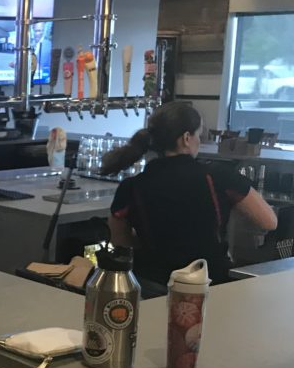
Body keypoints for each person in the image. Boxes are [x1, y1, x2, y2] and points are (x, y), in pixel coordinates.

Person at [103, 101, 277, 286]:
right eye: (199, 135)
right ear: (186, 138)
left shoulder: (132, 186)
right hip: (208, 282)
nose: (199, 141)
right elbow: (269, 221)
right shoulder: (219, 176)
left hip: (152, 284)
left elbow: (119, 239)